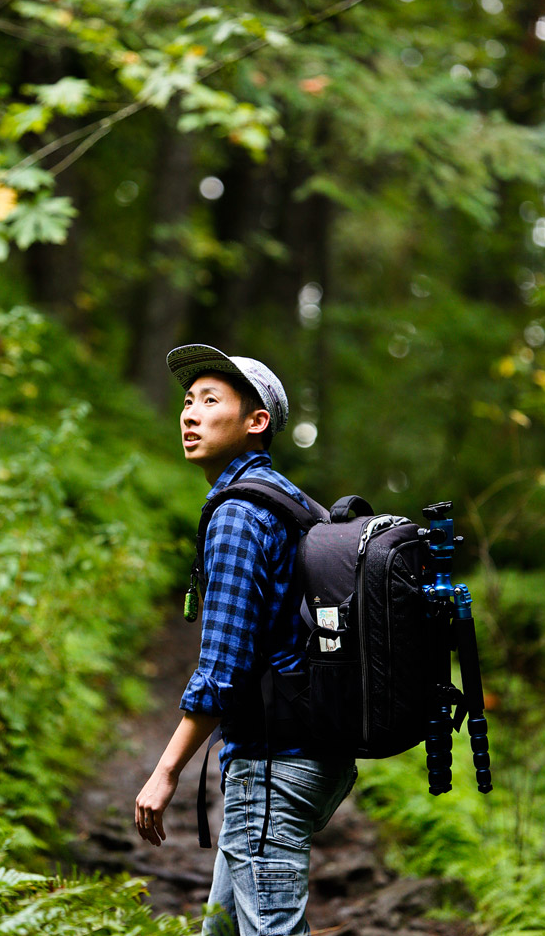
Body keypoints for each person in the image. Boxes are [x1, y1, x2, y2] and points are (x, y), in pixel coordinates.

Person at [134, 343, 357, 936]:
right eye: (187, 401)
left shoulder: (238, 514)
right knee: (223, 929)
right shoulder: (288, 502)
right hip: (310, 754)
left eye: (211, 400)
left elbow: (224, 665)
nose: (189, 414)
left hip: (273, 765)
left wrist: (166, 770)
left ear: (256, 422)